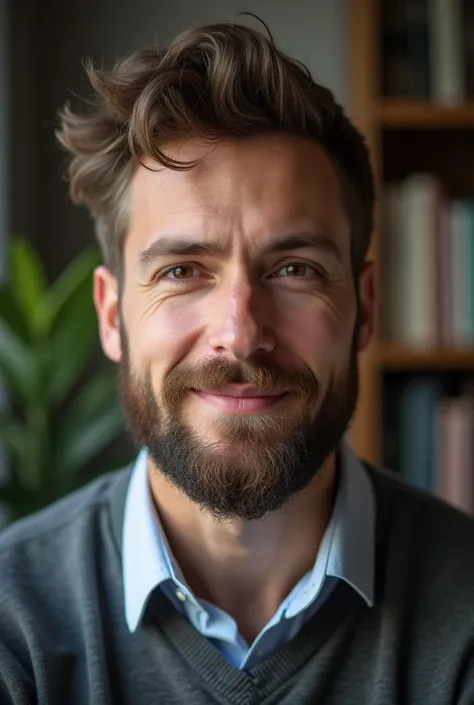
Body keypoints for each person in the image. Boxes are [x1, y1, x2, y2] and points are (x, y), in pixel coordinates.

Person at [1, 18, 474, 705]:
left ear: (365, 306)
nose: (241, 333)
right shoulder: (14, 622)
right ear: (112, 315)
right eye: (183, 271)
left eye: (294, 268)